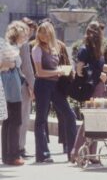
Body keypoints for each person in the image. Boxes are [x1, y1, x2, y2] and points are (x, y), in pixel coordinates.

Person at [70, 21, 107, 163]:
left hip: (99, 88)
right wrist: (97, 75)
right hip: (91, 89)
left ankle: (91, 155)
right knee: (89, 120)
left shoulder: (96, 50)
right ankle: (77, 153)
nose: (103, 34)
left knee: (96, 121)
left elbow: (100, 67)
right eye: (101, 31)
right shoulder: (85, 49)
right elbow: (80, 70)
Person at [32, 21, 77, 163]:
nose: (43, 35)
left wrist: (65, 71)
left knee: (70, 115)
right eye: (41, 32)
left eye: (46, 32)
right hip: (43, 85)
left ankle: (72, 152)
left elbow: (57, 68)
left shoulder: (54, 48)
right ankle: (42, 154)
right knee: (41, 119)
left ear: (51, 33)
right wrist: (57, 71)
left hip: (55, 86)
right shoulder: (37, 49)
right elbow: (39, 72)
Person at [1, 21, 29, 166]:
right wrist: (12, 65)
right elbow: (4, 64)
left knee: (8, 121)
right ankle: (13, 156)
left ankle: (7, 156)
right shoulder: (10, 47)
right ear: (17, 34)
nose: (25, 38)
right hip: (11, 87)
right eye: (23, 34)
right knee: (15, 121)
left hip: (8, 87)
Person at [18, 17, 37, 158]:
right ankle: (20, 148)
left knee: (11, 120)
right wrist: (33, 86)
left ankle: (9, 148)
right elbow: (27, 67)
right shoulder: (24, 43)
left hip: (8, 84)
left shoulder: (10, 41)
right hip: (20, 84)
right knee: (23, 117)